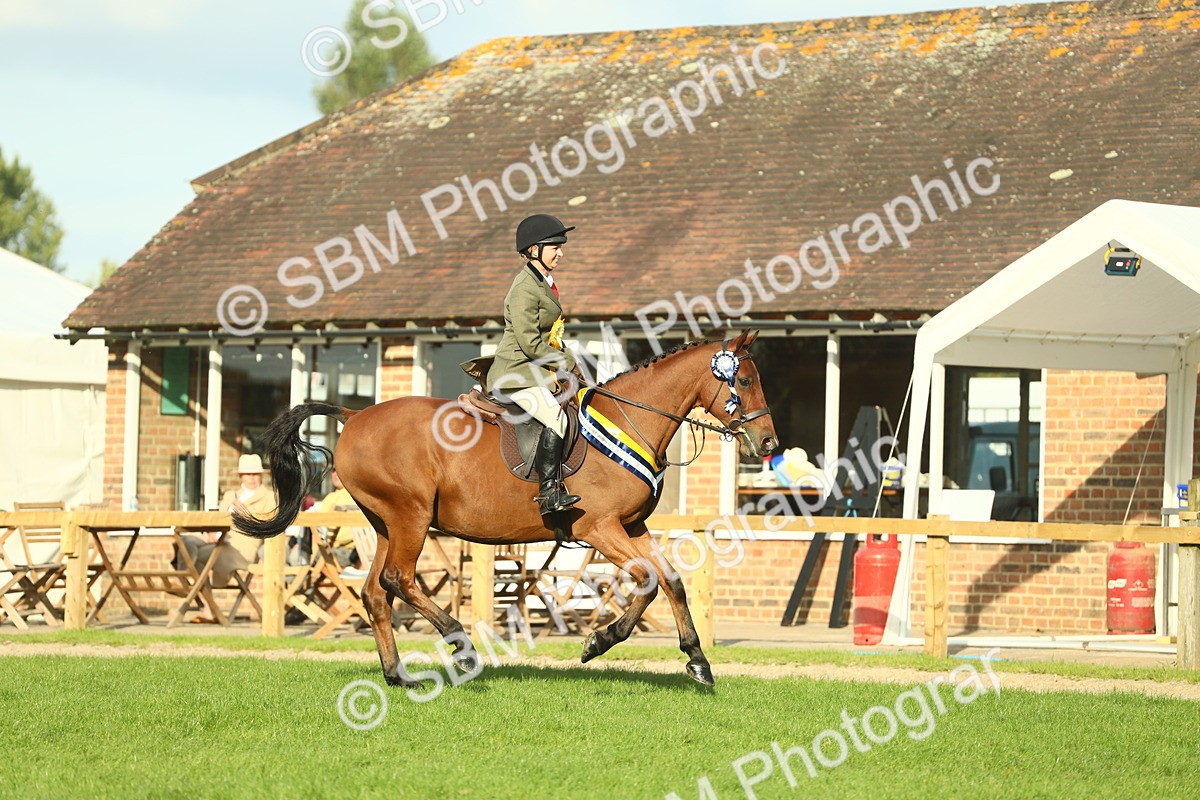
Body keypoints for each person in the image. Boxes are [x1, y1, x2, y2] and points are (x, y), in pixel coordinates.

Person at [486, 213, 582, 515]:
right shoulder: (525, 288)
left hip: (535, 370)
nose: (561, 253)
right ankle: (549, 494)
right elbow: (529, 343)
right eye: (555, 247)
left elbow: (549, 335)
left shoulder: (541, 282)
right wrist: (566, 361)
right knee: (556, 417)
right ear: (533, 249)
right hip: (515, 373)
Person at [177, 454, 277, 588]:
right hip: (219, 540)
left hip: (243, 547)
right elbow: (217, 519)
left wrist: (246, 516)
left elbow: (270, 526)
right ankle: (183, 581)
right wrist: (212, 531)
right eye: (247, 474)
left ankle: (201, 599)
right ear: (241, 475)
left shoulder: (269, 497)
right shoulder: (230, 495)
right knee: (186, 543)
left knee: (200, 556)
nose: (251, 477)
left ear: (261, 475)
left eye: (255, 473)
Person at [316, 466, 359, 569]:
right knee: (289, 549)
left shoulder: (356, 497)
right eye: (333, 470)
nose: (336, 474)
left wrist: (326, 541)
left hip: (346, 551)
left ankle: (294, 584)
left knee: (302, 556)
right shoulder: (330, 497)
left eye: (339, 469)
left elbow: (353, 533)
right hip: (328, 547)